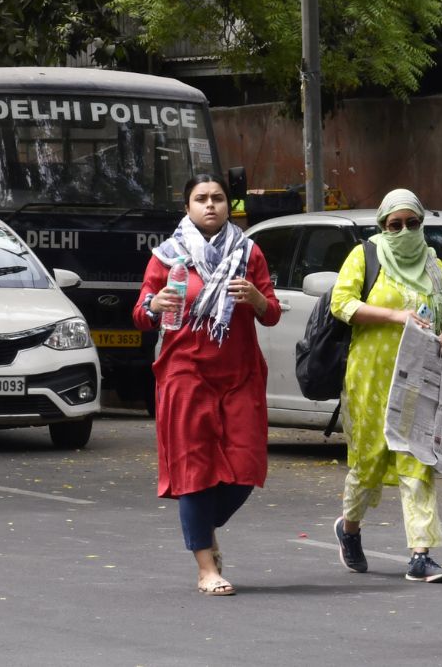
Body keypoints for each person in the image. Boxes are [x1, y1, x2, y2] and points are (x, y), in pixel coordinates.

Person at [133, 173, 281, 596]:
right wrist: (155, 304)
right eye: (201, 199)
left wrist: (254, 297)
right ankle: (205, 567)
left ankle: (200, 524)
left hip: (240, 374)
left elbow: (270, 312)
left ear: (228, 206)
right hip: (185, 373)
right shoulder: (167, 257)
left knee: (245, 469)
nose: (210, 205)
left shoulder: (249, 252)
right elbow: (141, 312)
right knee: (194, 470)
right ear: (187, 208)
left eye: (218, 198)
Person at [330, 189, 442, 583]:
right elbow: (341, 304)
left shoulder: (435, 266)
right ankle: (349, 529)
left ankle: (420, 555)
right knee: (368, 462)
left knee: (417, 460)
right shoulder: (365, 257)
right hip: (371, 378)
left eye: (413, 223)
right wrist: (395, 315)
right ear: (382, 227)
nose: (405, 230)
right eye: (395, 224)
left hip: (419, 378)